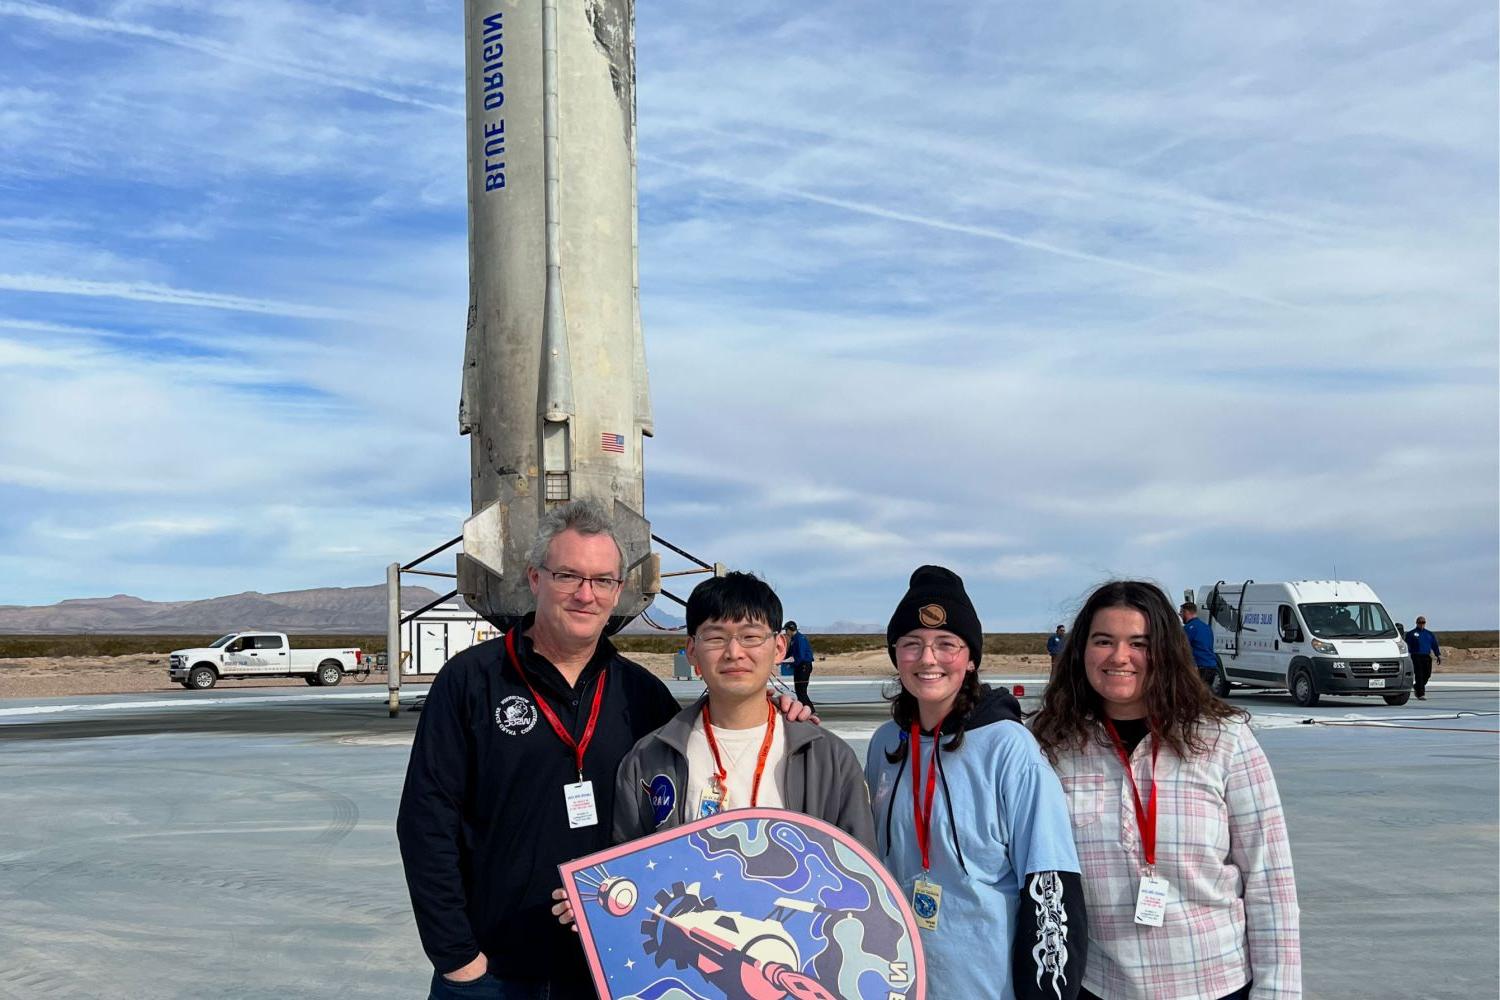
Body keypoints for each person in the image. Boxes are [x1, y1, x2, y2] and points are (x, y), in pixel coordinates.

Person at [396, 499, 811, 998]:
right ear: (535, 579)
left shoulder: (640, 694)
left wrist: (782, 712)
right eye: (568, 576)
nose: (585, 595)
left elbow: (703, 763)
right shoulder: (471, 681)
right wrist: (459, 958)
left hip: (612, 967)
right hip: (494, 969)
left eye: (602, 581)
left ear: (617, 591)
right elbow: (426, 822)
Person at [1032, 581, 1301, 1000]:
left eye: (1139, 643)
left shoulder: (1224, 740)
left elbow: (1271, 879)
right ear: (1081, 650)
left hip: (1215, 984)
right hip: (1098, 986)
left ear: (1167, 652)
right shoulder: (1051, 745)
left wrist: (1277, 991)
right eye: (1103, 641)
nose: (1120, 657)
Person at [865, 566, 1088, 1000]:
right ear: (896, 656)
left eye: (947, 644)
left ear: (970, 659)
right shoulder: (885, 744)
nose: (928, 659)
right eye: (912, 645)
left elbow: (1050, 884)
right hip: (901, 978)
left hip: (988, 984)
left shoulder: (1009, 748)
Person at [611, 575, 872, 845]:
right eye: (715, 637)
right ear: (691, 650)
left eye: (751, 636)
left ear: (779, 647)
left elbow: (861, 875)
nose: (734, 652)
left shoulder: (829, 760)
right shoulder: (647, 760)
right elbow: (627, 874)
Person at [1403, 616, 1443, 700]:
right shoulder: (1411, 634)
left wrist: (1438, 655)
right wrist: (1407, 655)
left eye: (1423, 622)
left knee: (1427, 675)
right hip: (1416, 656)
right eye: (1420, 622)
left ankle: (1417, 686)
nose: (1421, 624)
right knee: (1419, 675)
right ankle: (1421, 694)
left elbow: (1434, 645)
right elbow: (1407, 645)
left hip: (1426, 656)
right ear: (1416, 623)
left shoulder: (1429, 634)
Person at [781, 619, 816, 711]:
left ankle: (810, 710)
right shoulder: (794, 639)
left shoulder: (800, 639)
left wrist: (791, 665)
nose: (786, 632)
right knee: (798, 690)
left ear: (791, 629)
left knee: (801, 691)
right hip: (799, 666)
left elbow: (800, 656)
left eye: (786, 630)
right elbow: (790, 653)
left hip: (803, 666)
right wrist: (781, 659)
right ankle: (804, 709)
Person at [1180, 602, 1218, 687]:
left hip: (1199, 667)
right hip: (1211, 666)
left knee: (1194, 696)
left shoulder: (1189, 628)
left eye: (1181, 613)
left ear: (1186, 612)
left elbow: (1182, 647)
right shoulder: (1206, 627)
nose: (1180, 616)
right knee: (1206, 695)